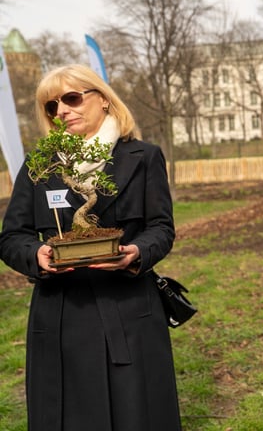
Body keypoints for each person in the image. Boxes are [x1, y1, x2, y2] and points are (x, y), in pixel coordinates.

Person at [0, 64, 182, 430]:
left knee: (137, 413)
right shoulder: (40, 165)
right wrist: (35, 256)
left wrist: (136, 254)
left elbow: (161, 228)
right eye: (51, 106)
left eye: (71, 98)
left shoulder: (143, 157)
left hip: (129, 309)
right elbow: (11, 237)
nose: (62, 111)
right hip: (61, 313)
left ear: (103, 100)